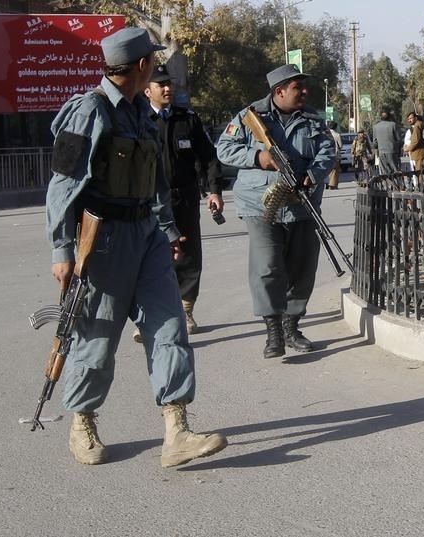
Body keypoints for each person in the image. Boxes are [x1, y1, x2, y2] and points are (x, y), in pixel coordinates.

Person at [45, 27, 227, 467]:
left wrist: (166, 232)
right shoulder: (88, 111)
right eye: (153, 63)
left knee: (169, 329)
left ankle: (176, 431)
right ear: (142, 65)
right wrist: (62, 249)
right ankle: (82, 423)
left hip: (146, 236)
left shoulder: (142, 113)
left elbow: (156, 181)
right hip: (103, 239)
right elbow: (62, 184)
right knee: (97, 338)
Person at [216, 64, 335, 359]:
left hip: (301, 204)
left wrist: (313, 174)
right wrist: (259, 157)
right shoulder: (249, 117)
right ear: (279, 91)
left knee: (303, 268)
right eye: (298, 87)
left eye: (304, 86)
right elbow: (224, 149)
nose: (304, 92)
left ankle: (291, 325)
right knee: (267, 266)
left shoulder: (312, 120)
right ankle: (273, 331)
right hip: (261, 205)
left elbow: (327, 151)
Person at [143, 65, 224, 336]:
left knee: (188, 256)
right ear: (147, 90)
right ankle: (148, 317)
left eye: (169, 84)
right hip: (148, 201)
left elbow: (209, 157)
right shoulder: (138, 119)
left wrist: (215, 191)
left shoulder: (187, 119)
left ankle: (186, 310)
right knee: (150, 256)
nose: (167, 89)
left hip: (184, 197)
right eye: (160, 85)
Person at [372, 109, 403, 174]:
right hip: (392, 152)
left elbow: (375, 143)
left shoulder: (376, 126)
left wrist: (376, 151)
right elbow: (399, 139)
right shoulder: (393, 125)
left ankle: (389, 184)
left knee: (385, 173)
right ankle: (396, 183)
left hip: (381, 152)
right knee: (395, 172)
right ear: (389, 117)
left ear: (380, 117)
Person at [326, 120, 343, 189]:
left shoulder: (326, 134)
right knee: (336, 170)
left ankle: (331, 184)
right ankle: (332, 185)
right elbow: (340, 145)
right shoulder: (337, 135)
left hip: (327, 154)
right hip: (336, 154)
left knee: (330, 170)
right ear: (335, 127)